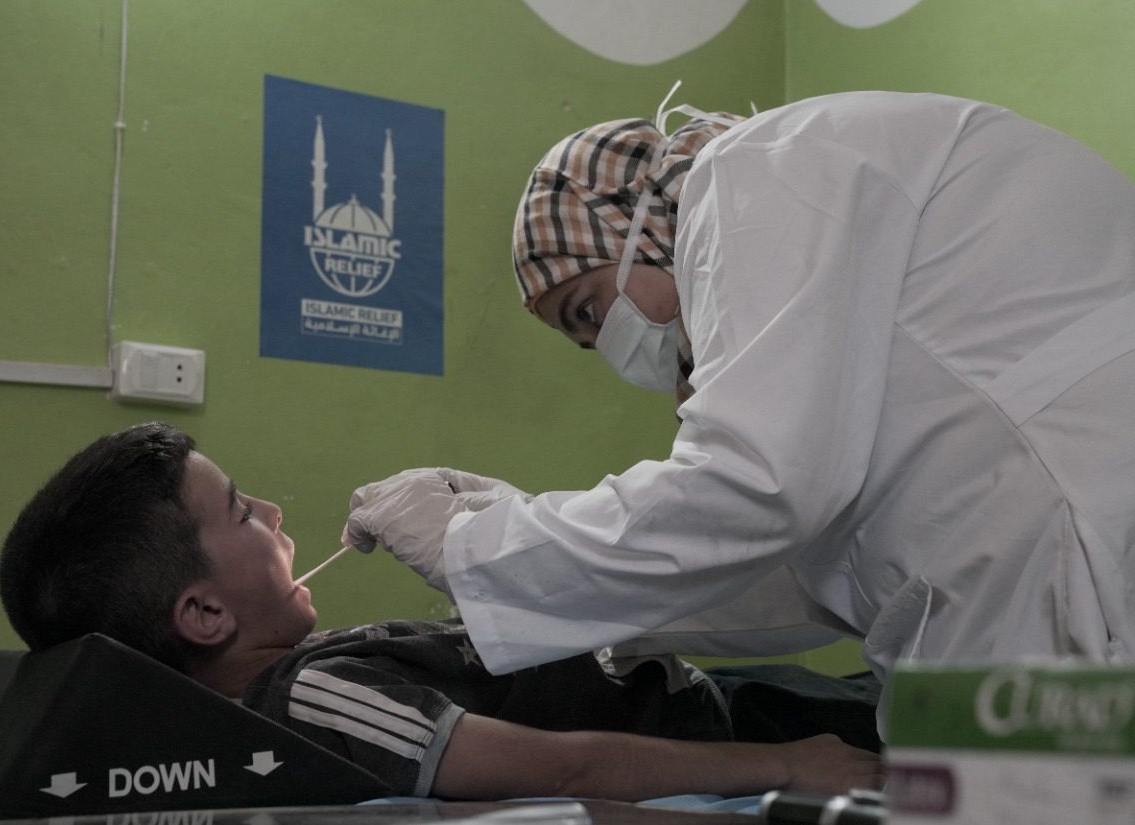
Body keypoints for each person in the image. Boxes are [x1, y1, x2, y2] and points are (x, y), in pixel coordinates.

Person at [344, 91, 1135, 729]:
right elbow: (793, 571)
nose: (608, 347)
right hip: (1019, 569)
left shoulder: (749, 171)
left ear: (635, 221)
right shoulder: (809, 250)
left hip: (1057, 548)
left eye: (587, 311)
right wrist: (540, 563)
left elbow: (762, 483)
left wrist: (483, 549)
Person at [0, 422, 881, 802]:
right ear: (200, 612)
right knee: (964, 723)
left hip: (721, 693)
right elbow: (564, 771)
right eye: (240, 510)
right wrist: (788, 764)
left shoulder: (307, 680)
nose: (271, 513)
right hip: (731, 720)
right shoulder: (306, 698)